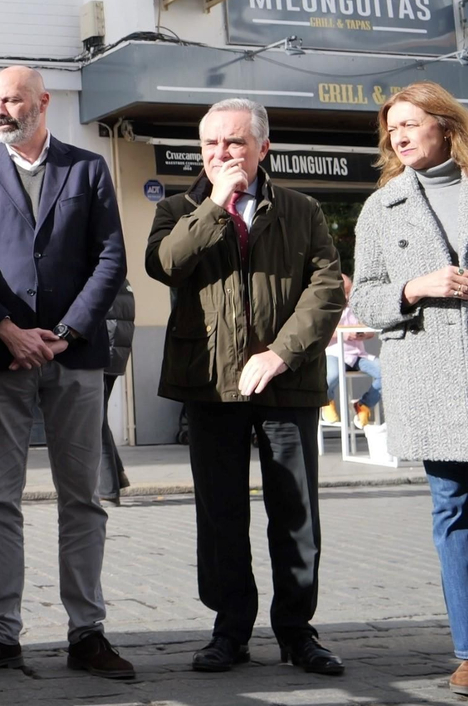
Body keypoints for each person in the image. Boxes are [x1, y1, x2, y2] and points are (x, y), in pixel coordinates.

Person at [0, 66, 132, 680]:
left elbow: (110, 257)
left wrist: (67, 332)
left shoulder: (88, 168)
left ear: (42, 103)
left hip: (72, 355)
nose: (1, 109)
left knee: (83, 497)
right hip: (0, 355)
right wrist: (6, 329)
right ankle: (0, 632)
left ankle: (87, 632)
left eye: (12, 99)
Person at [145, 97, 345, 676]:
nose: (221, 154)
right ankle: (229, 629)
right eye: (211, 144)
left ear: (263, 147)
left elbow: (326, 288)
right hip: (209, 383)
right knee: (221, 513)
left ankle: (297, 631)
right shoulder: (180, 207)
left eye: (234, 143)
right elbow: (166, 265)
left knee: (295, 511)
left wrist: (281, 355)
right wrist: (214, 205)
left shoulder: (303, 209)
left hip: (287, 383)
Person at [349, 81, 468, 700]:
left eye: (409, 124)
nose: (397, 136)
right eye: (391, 128)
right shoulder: (383, 205)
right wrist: (415, 287)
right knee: (451, 511)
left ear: (448, 126)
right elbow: (365, 295)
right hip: (430, 373)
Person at [323, 274, 382, 427]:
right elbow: (321, 332)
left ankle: (363, 404)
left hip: (358, 355)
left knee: (385, 373)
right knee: (332, 376)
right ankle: (326, 401)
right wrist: (343, 334)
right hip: (334, 352)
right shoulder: (326, 307)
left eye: (350, 291)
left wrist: (361, 334)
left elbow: (370, 331)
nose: (348, 296)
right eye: (346, 292)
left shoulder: (356, 306)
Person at [98, 281, 134, 505]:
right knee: (98, 417)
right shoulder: (121, 279)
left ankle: (108, 491)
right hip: (115, 350)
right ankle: (117, 477)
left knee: (94, 421)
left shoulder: (97, 273)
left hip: (102, 351)